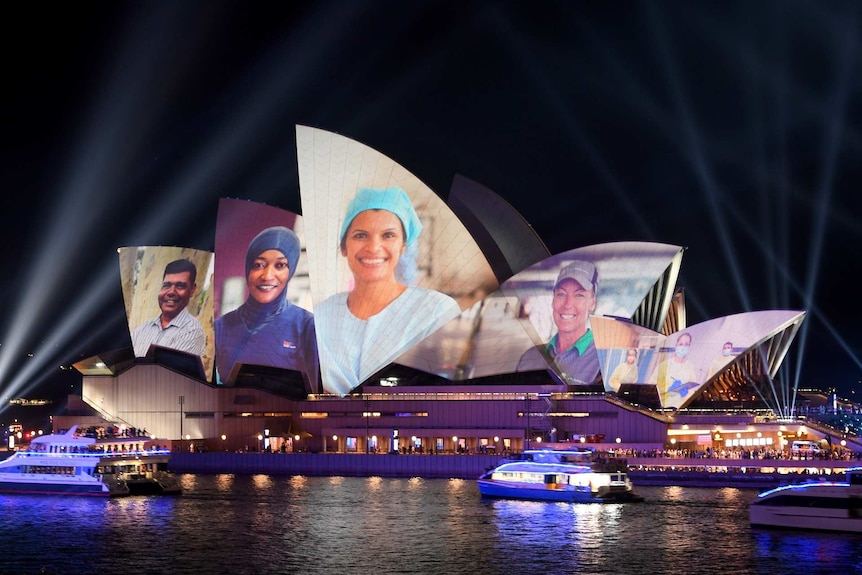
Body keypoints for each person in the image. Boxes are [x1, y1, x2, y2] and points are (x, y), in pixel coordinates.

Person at [315, 186, 461, 395]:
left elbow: (448, 396)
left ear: (403, 246)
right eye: (360, 235)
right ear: (343, 246)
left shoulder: (437, 312)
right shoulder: (320, 317)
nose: (374, 247)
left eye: (388, 235)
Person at [215, 226, 319, 391]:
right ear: (248, 268)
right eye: (258, 265)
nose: (267, 276)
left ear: (290, 271)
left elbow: (317, 398)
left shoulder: (307, 327)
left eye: (280, 265)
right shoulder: (220, 327)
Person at [516, 261, 601, 386]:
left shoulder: (604, 360)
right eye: (561, 294)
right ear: (553, 300)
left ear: (592, 303)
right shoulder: (530, 357)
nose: (567, 305)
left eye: (579, 295)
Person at [132, 259, 205, 357]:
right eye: (167, 285)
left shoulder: (192, 332)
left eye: (180, 286)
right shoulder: (142, 330)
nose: (171, 292)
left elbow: (170, 371)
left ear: (192, 290)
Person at [653, 332, 699, 405]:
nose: (683, 347)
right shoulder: (664, 365)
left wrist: (686, 394)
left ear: (689, 346)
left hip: (681, 409)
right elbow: (651, 388)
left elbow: (693, 389)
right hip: (664, 408)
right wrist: (667, 390)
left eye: (686, 344)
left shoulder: (689, 366)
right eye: (681, 344)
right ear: (676, 345)